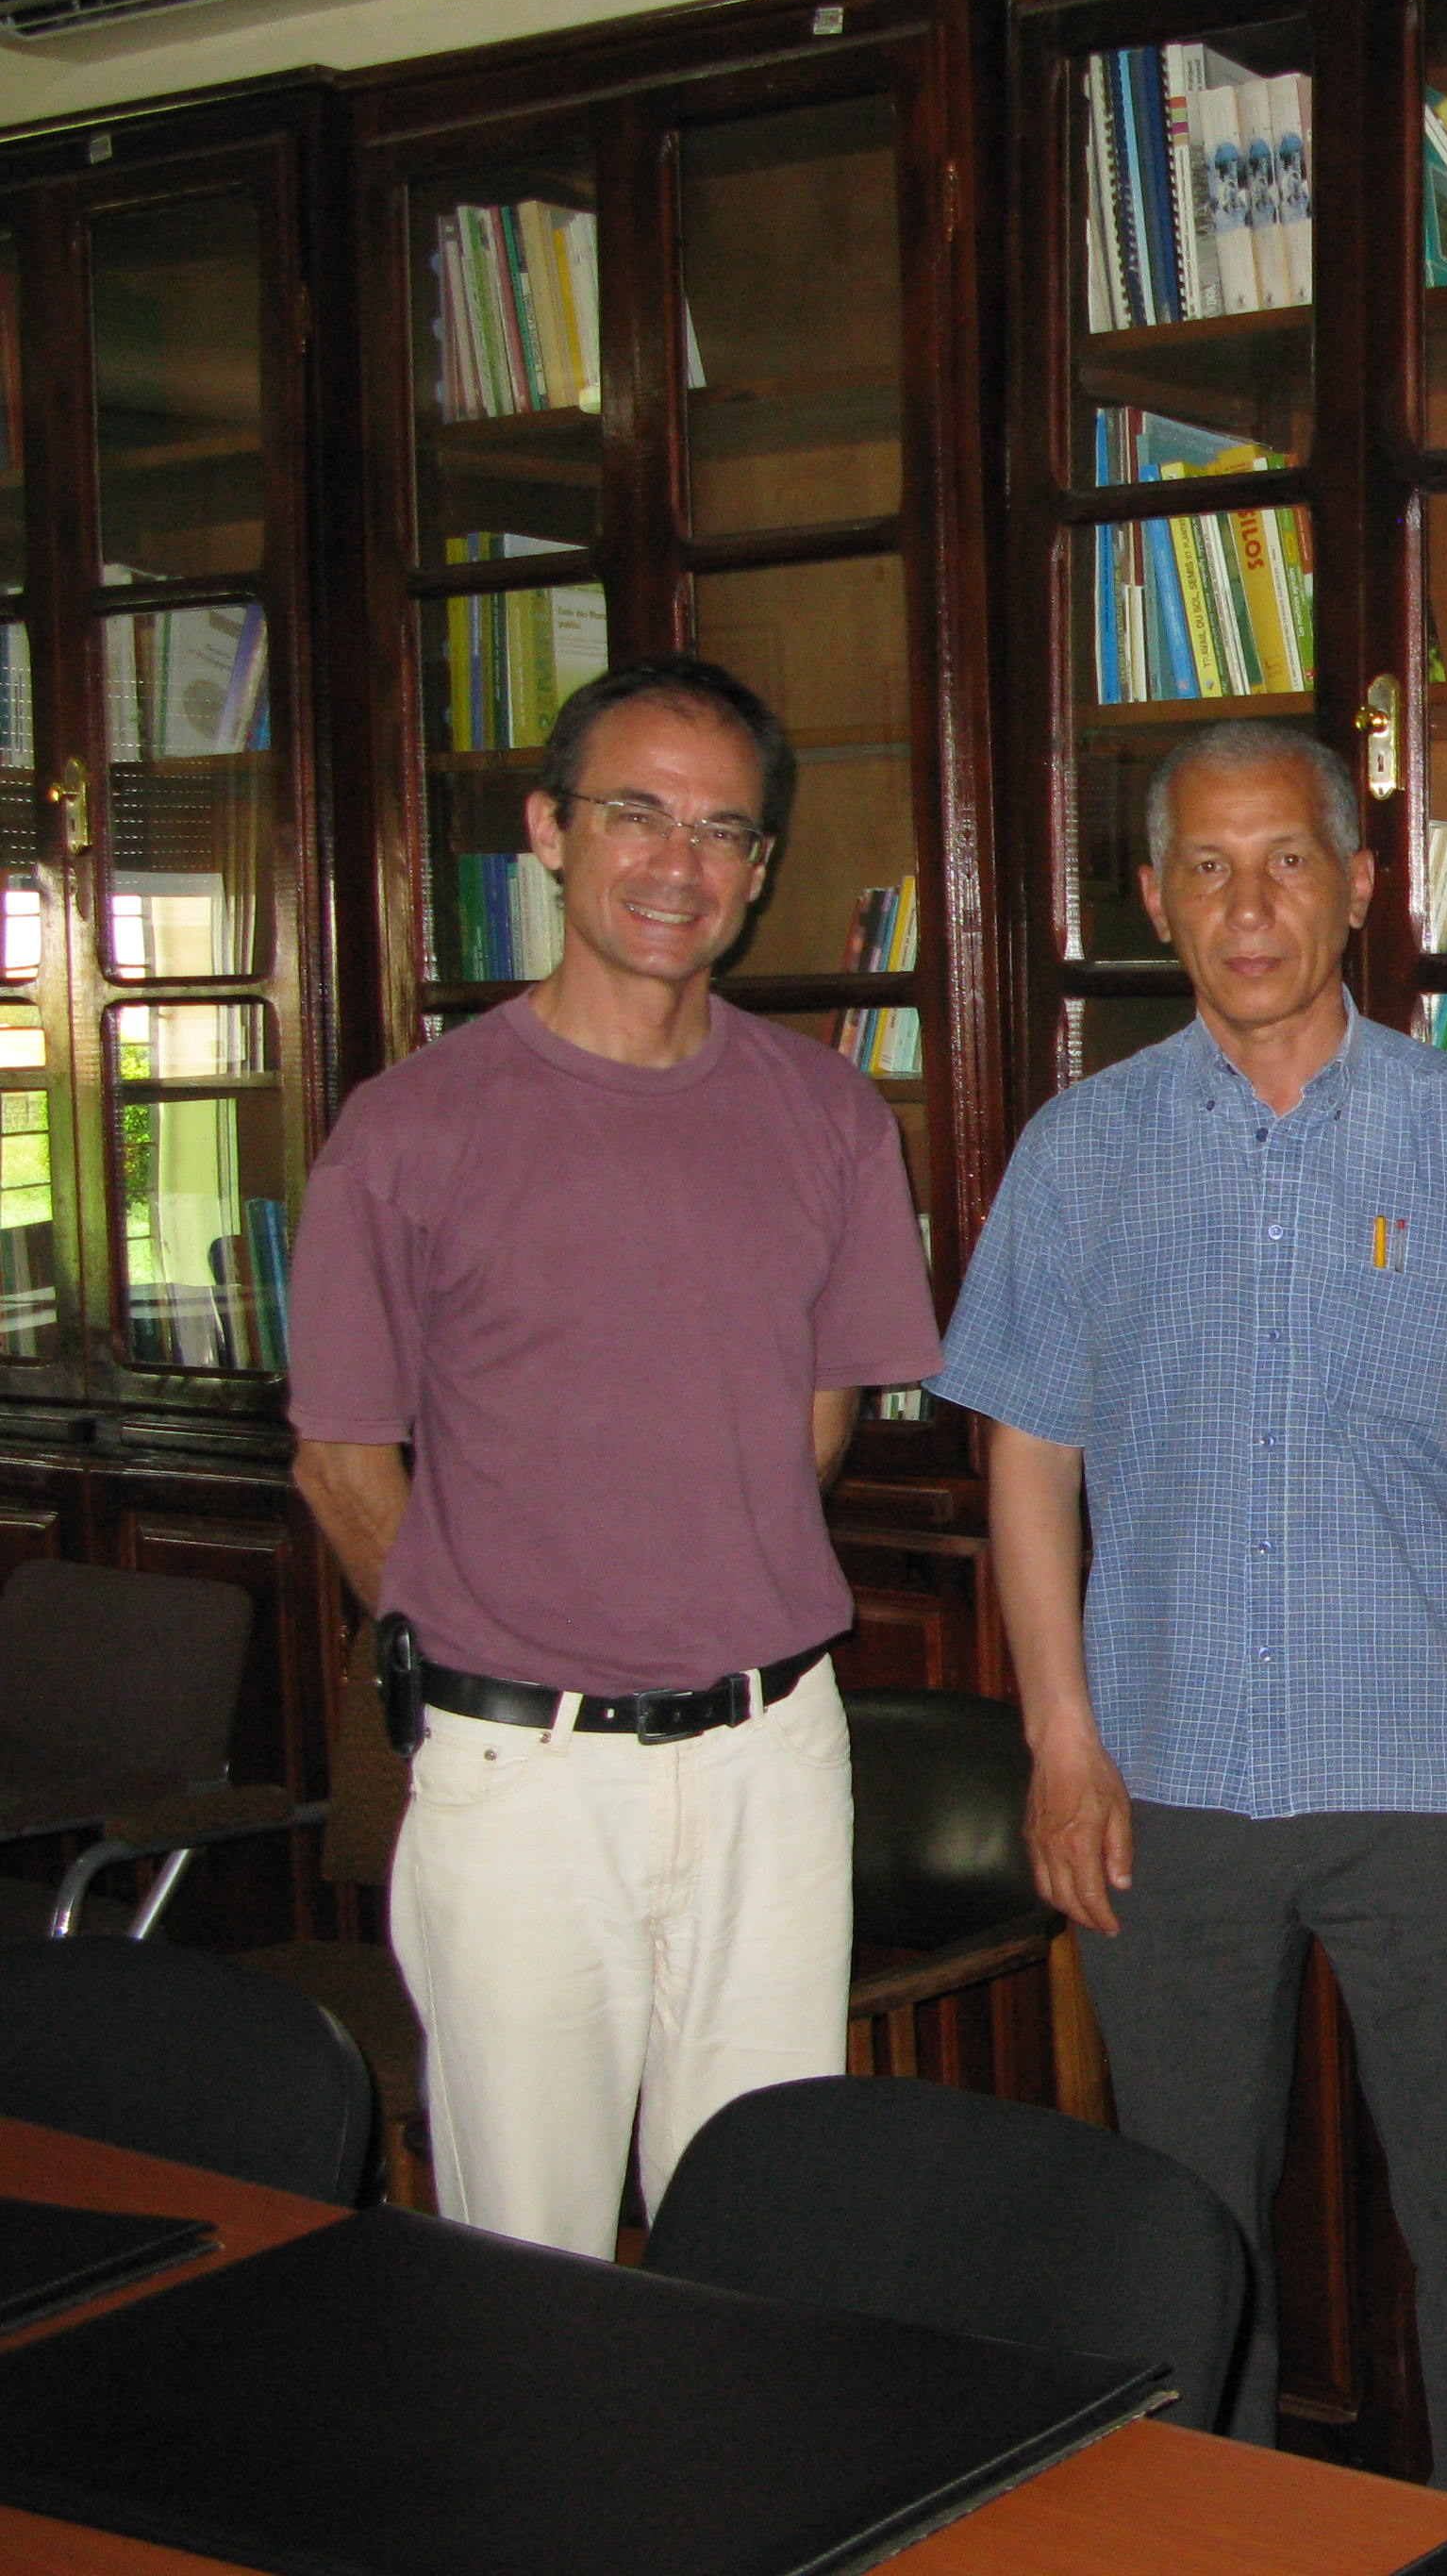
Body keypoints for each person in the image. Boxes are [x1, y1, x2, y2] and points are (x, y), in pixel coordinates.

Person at [932, 720, 1447, 2510]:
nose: (1249, 906)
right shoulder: (1081, 1153)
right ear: (1154, 899)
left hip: (1439, 1778)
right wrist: (1062, 1743)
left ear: (1358, 886)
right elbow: (1027, 1459)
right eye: (1207, 869)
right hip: (1166, 1782)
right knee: (1187, 2242)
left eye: (1287, 861)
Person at [286, 655, 942, 2256]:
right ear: (550, 831)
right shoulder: (410, 1129)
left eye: (723, 831)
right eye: (636, 814)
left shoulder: (831, 1117)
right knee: (531, 2259)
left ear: (760, 870)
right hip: (521, 1780)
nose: (677, 863)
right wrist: (488, 1644)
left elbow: (817, 1421)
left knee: (762, 2231)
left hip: (774, 1761)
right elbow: (342, 1462)